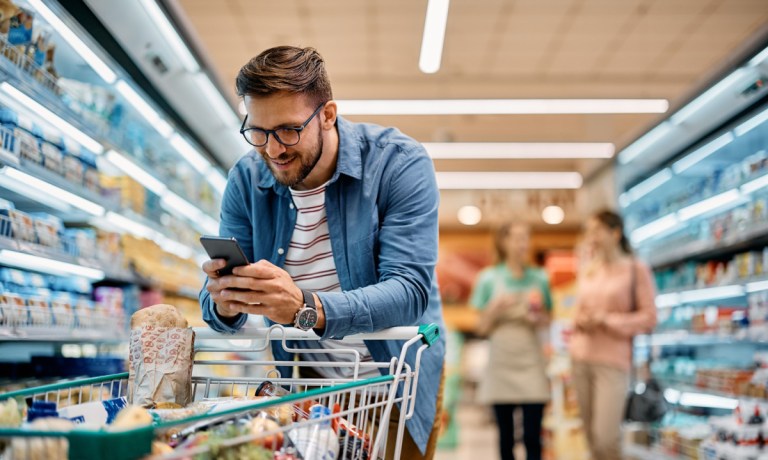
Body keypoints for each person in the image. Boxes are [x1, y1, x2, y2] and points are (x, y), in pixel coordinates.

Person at [198, 46, 446, 459]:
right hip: (310, 389)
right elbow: (217, 311)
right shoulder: (246, 179)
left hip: (398, 384)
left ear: (328, 114)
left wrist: (303, 308)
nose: (273, 149)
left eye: (288, 130)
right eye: (258, 132)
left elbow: (409, 292)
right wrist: (226, 301)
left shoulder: (398, 163)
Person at [570, 210, 657, 460]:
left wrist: (606, 320)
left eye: (597, 231)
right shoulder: (590, 269)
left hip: (613, 362)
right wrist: (582, 320)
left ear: (615, 233)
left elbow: (649, 317)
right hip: (581, 358)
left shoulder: (635, 270)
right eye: (589, 232)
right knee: (590, 437)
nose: (591, 237)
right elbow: (578, 310)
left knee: (606, 437)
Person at [470, 222, 552, 460]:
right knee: (505, 436)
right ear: (503, 242)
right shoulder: (488, 279)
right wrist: (495, 309)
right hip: (501, 361)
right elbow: (481, 327)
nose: (522, 244)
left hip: (531, 359)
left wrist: (537, 317)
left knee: (532, 436)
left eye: (526, 238)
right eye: (516, 238)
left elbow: (549, 320)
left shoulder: (540, 277)